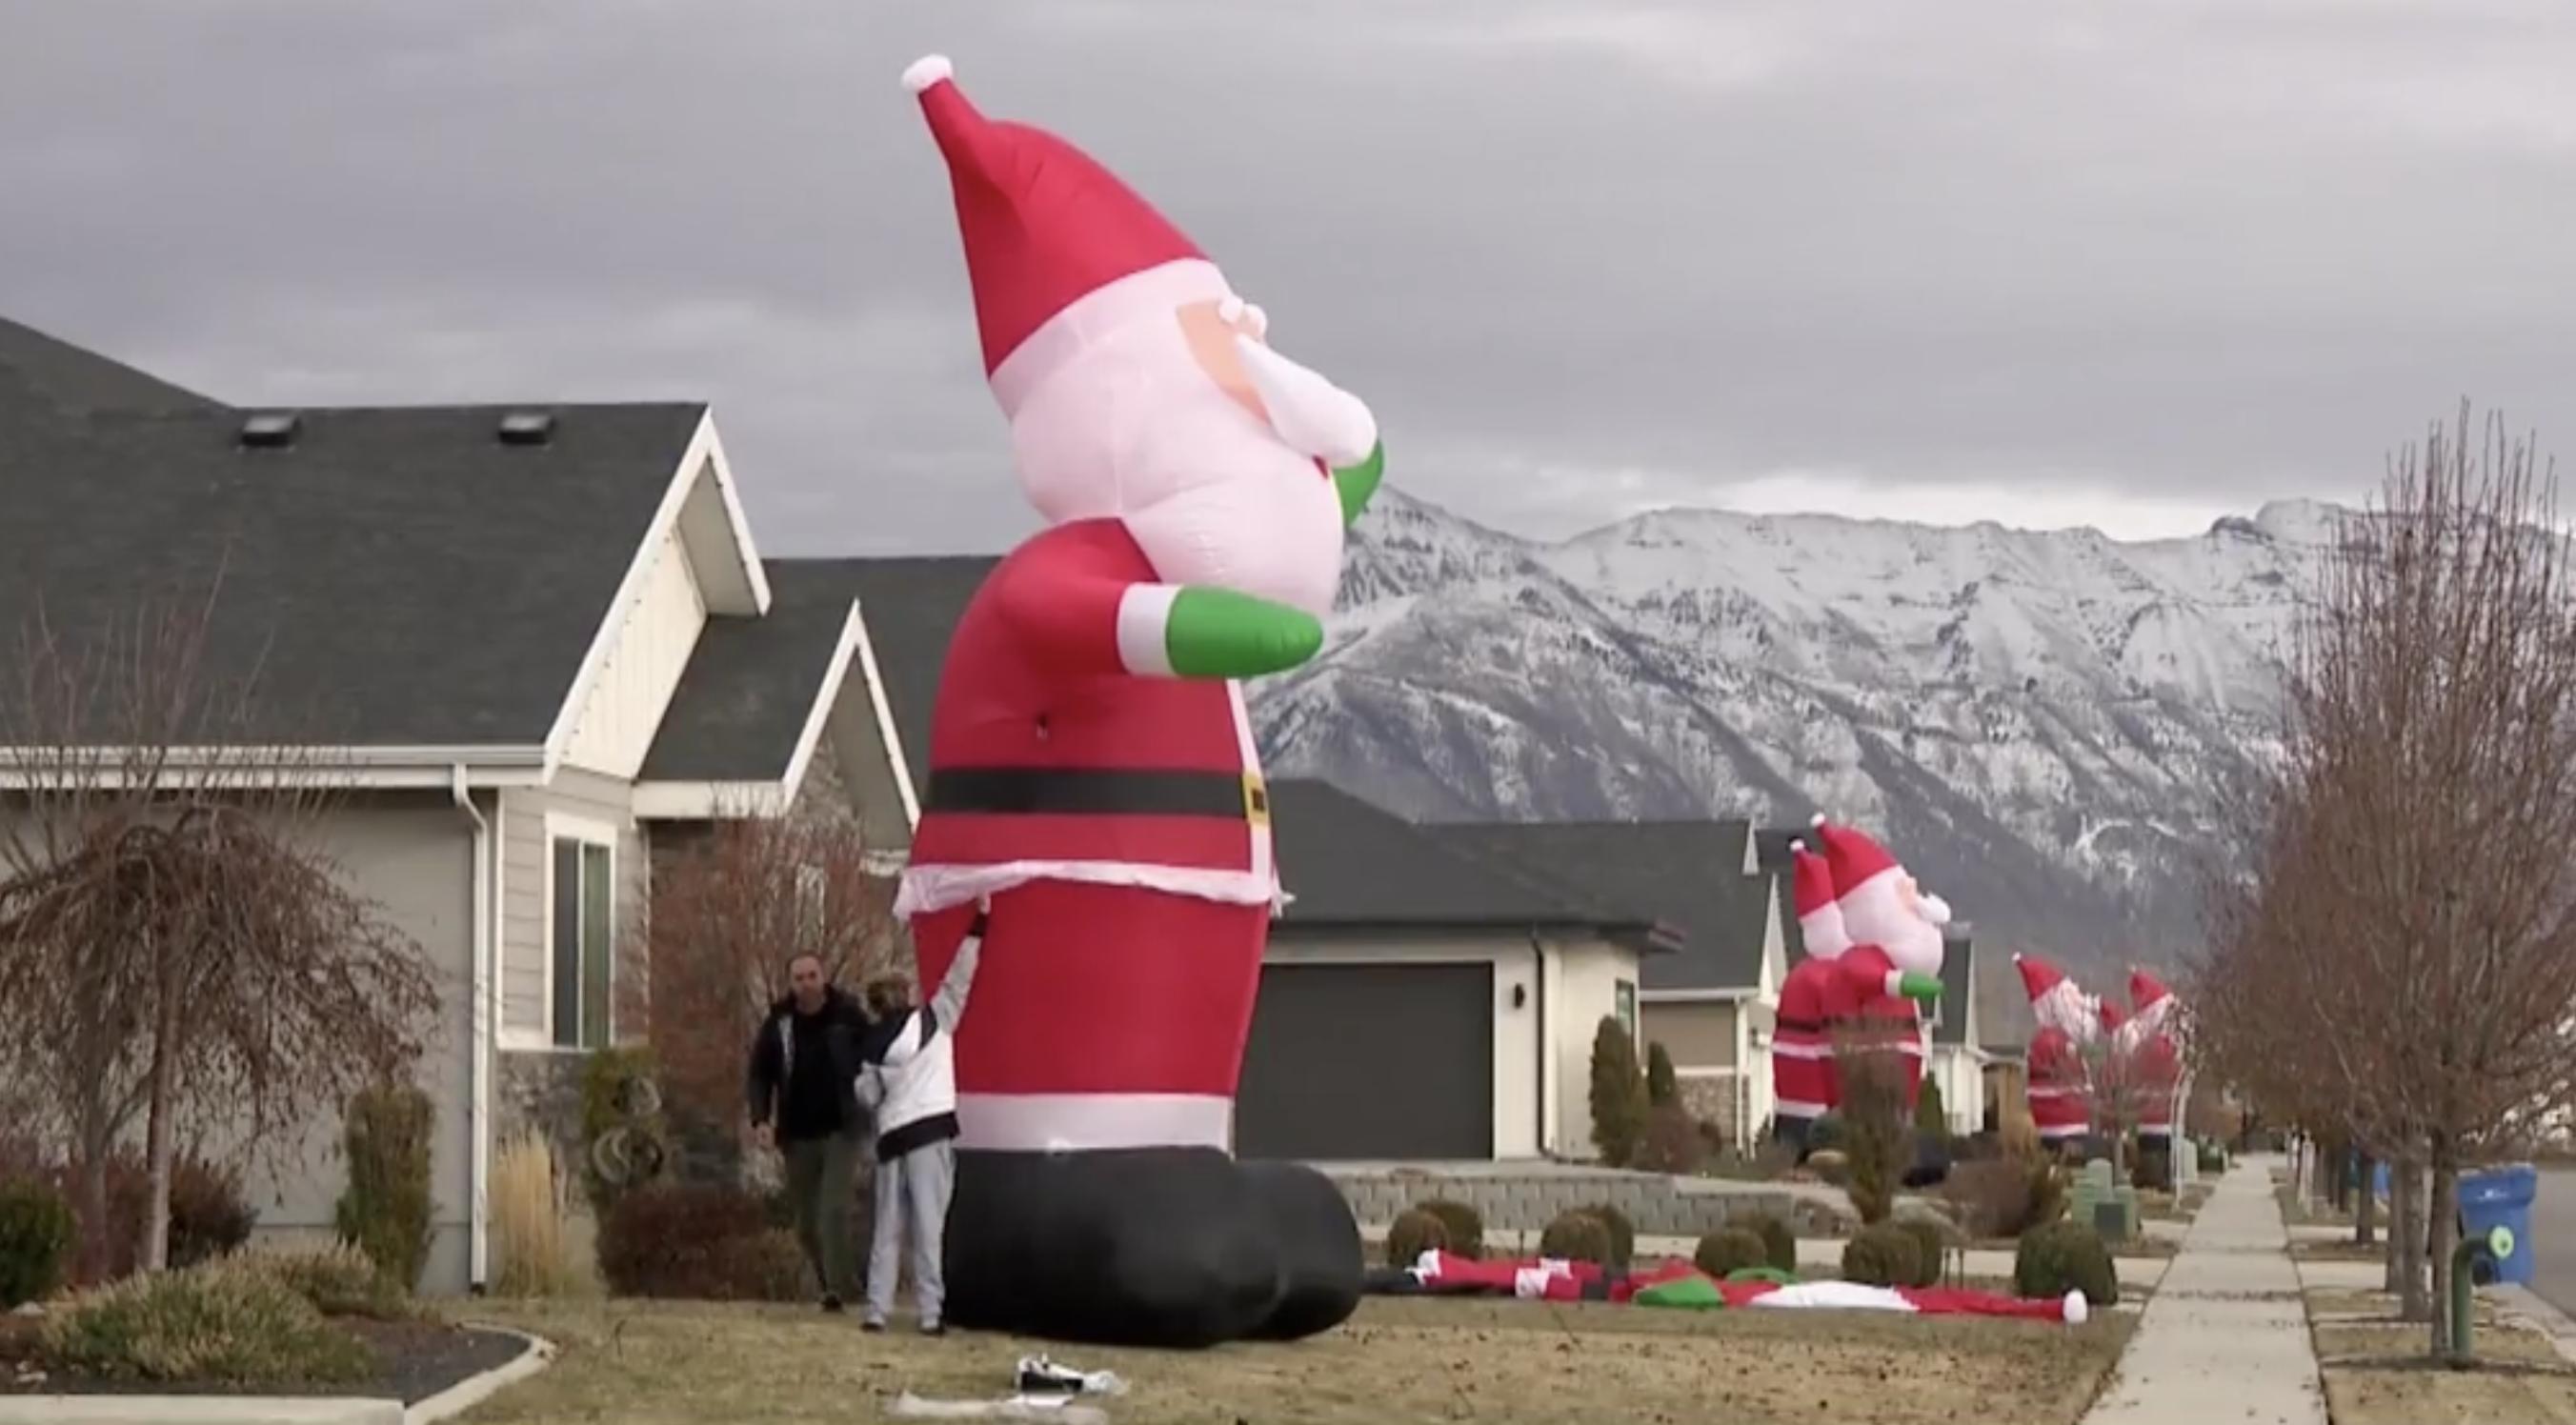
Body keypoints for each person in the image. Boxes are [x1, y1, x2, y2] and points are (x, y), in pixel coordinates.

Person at [855, 899, 987, 1335]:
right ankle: (930, 1313)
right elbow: (960, 978)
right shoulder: (934, 1022)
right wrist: (979, 923)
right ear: (908, 994)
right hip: (931, 1134)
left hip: (892, 1140)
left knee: (887, 1230)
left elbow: (868, 1096)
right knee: (930, 1228)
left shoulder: (871, 1044)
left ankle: (877, 1309)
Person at [744, 953, 873, 1312]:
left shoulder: (848, 1015)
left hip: (841, 1128)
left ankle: (843, 1290)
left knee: (832, 1210)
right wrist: (761, 1120)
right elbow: (759, 1073)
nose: (806, 984)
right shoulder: (779, 1021)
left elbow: (873, 1059)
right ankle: (829, 1287)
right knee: (805, 1221)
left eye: (812, 976)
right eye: (799, 978)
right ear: (791, 982)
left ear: (823, 976)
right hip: (797, 1132)